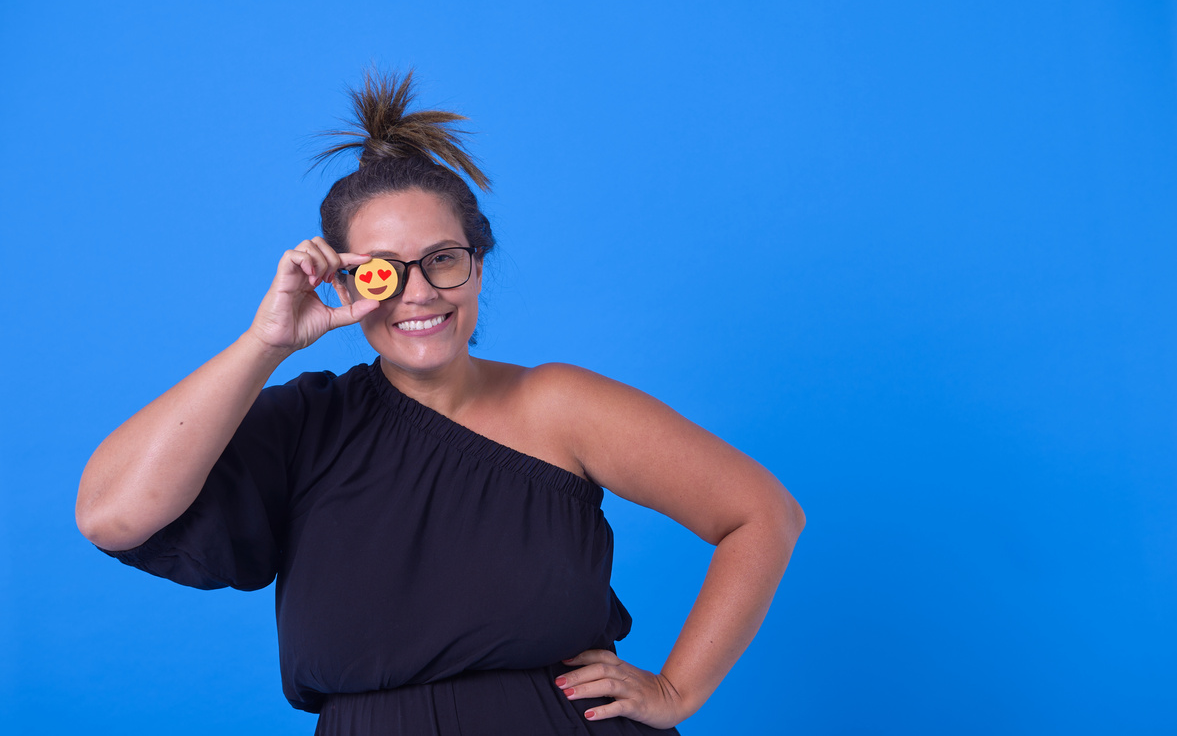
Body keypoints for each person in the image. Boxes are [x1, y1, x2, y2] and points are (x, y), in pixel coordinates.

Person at [76, 71, 805, 735]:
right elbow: (111, 516)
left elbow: (761, 513)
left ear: (476, 265)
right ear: (342, 284)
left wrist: (677, 689)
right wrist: (266, 341)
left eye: (442, 260)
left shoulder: (559, 404)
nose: (419, 292)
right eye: (383, 273)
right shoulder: (305, 421)